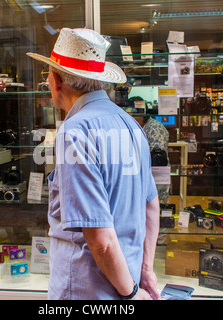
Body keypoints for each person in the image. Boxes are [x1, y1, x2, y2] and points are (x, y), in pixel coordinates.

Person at [27, 28, 161, 300]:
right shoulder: (132, 125)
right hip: (128, 278)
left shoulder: (75, 131)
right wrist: (145, 271)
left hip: (86, 290)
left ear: (56, 80)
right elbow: (151, 205)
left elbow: (100, 241)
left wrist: (131, 294)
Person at [133, 115, 170, 203]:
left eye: (135, 115)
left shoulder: (155, 129)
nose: (132, 117)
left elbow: (158, 159)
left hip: (155, 182)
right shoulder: (138, 126)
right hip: (144, 182)